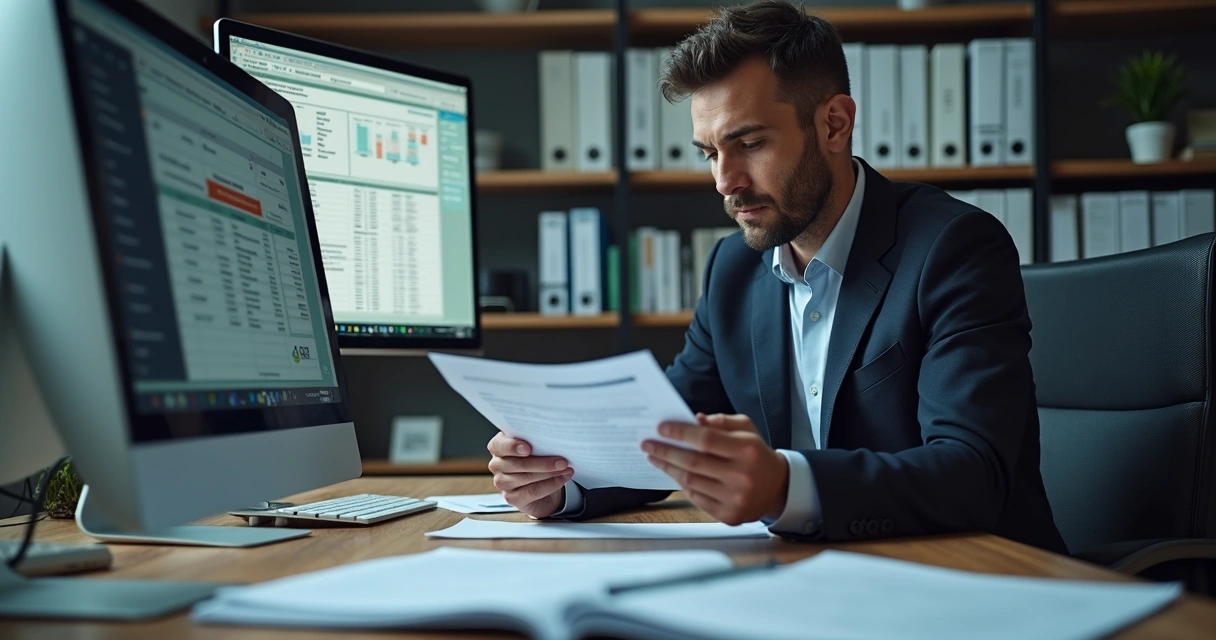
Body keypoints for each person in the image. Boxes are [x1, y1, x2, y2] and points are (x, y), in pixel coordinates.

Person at [488, 0, 1066, 552]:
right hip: (815, 576)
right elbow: (665, 439)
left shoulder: (955, 248)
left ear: (835, 124)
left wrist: (784, 486)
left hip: (974, 575)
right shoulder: (732, 269)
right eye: (710, 152)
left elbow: (973, 472)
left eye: (750, 144)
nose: (724, 181)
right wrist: (561, 484)